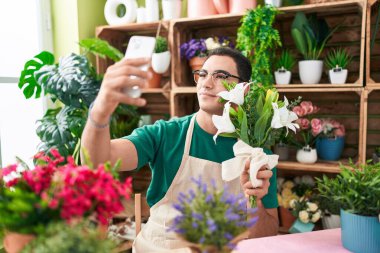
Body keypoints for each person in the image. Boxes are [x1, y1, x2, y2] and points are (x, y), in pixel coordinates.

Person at [81, 47, 279, 252]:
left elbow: (267, 235)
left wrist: (253, 201)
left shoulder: (256, 152)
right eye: (202, 74)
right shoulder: (166, 134)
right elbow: (97, 161)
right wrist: (100, 110)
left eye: (221, 76)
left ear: (244, 89)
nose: (206, 83)